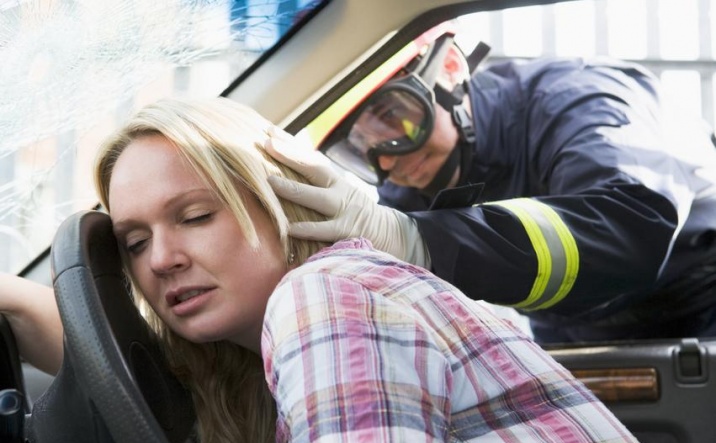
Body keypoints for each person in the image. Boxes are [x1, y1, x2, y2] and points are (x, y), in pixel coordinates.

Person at [1, 96, 643, 443]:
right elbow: (132, 376)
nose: (161, 258)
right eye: (135, 242)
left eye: (195, 216)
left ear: (284, 206)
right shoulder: (246, 359)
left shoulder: (326, 297)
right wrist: (22, 304)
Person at [264, 24, 716, 344]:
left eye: (395, 115)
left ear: (451, 69)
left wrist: (420, 239)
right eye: (358, 148)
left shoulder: (578, 102)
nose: (389, 159)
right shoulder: (410, 188)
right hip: (575, 335)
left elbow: (630, 226)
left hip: (701, 308)